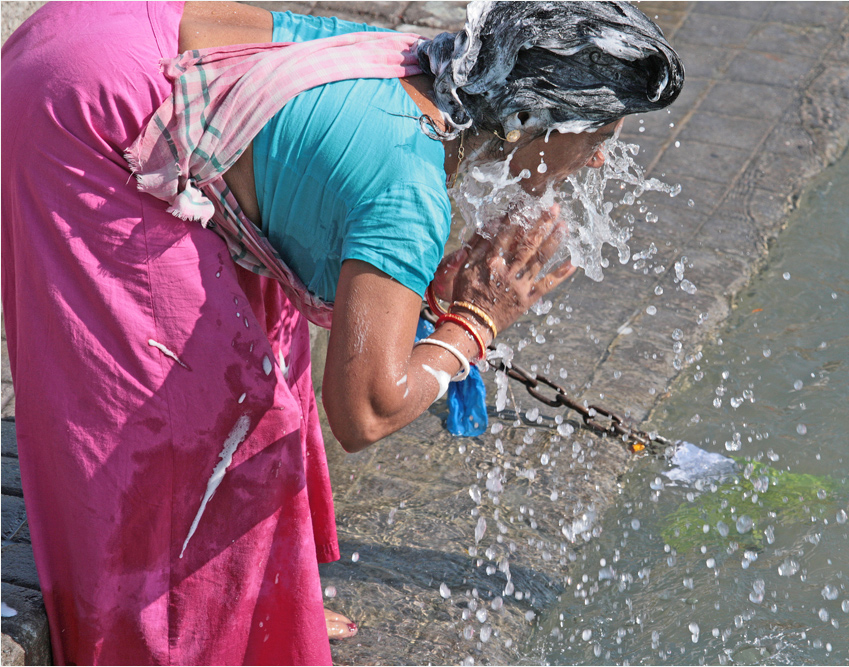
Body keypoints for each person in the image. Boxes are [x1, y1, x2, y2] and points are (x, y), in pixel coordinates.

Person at [0, 1, 682, 664]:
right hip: (74, 106)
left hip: (102, 28)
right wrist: (475, 324)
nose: (598, 158)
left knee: (264, 327)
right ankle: (167, 634)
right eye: (600, 131)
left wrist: (418, 287)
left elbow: (316, 198)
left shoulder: (435, 70)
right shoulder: (407, 188)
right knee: (203, 410)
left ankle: (254, 591)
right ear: (534, 119)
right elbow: (365, 409)